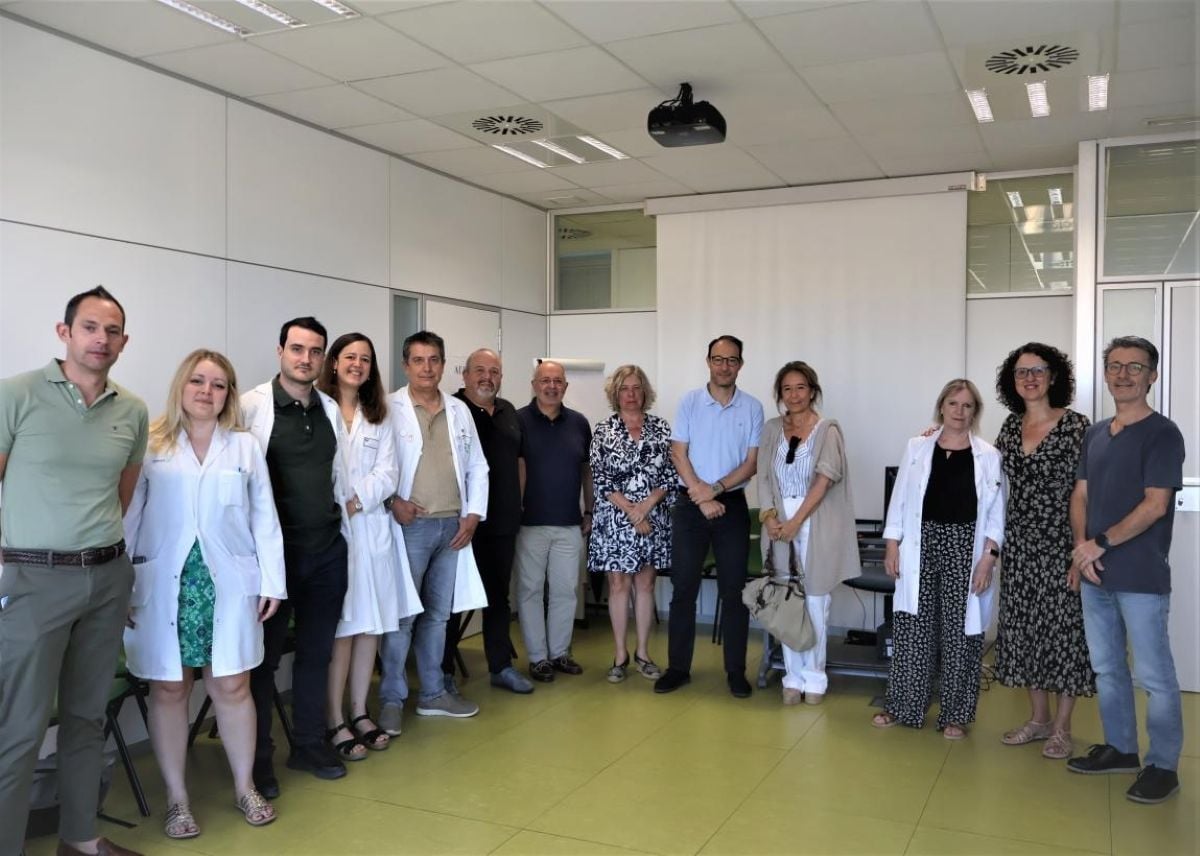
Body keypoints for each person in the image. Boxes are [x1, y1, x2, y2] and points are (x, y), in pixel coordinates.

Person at [0, 286, 149, 856]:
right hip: (35, 581)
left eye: (112, 331)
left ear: (124, 342)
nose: (100, 339)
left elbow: (121, 497)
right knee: (20, 728)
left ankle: (81, 839)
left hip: (107, 578)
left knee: (87, 717)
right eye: (90, 327)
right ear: (64, 333)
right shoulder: (16, 395)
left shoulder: (131, 410)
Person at [123, 349, 285, 837]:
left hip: (228, 583)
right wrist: (120, 585)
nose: (206, 391)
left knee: (232, 686)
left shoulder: (244, 447)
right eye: (198, 381)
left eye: (218, 384)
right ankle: (177, 800)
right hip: (165, 584)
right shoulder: (151, 443)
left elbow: (264, 517)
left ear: (228, 394)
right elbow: (128, 518)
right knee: (170, 688)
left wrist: (272, 581)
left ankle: (244, 786)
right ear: (181, 385)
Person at [1067, 336, 1186, 805]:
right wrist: (1082, 550)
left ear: (1152, 376)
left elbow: (1155, 505)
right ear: (1105, 374)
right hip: (1095, 574)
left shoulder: (1163, 434)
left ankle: (1163, 766)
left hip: (1140, 577)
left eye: (1135, 367)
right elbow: (1081, 495)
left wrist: (1099, 544)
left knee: (1154, 677)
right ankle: (1120, 748)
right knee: (1107, 668)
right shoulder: (1096, 433)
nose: (1123, 374)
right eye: (1115, 366)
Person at [244, 316, 351, 796]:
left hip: (326, 553)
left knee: (315, 654)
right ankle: (257, 761)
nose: (306, 358)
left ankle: (308, 745)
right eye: (297, 349)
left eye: (315, 351)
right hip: (273, 560)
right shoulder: (252, 406)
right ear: (280, 351)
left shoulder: (328, 408)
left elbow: (339, 477)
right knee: (262, 663)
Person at [872, 379, 1004, 739]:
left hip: (966, 548)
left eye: (967, 405)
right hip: (921, 543)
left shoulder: (989, 455)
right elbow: (900, 499)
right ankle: (903, 706)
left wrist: (988, 558)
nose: (959, 411)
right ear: (941, 407)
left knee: (961, 634)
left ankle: (955, 715)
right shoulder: (917, 447)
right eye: (953, 404)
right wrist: (892, 544)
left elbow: (996, 514)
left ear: (975, 412)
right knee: (914, 628)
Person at [379, 330, 487, 732]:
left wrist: (473, 515)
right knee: (403, 616)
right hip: (411, 528)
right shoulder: (388, 408)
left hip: (453, 528)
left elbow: (477, 466)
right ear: (405, 365)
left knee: (438, 617)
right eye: (419, 360)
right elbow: (372, 467)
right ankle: (391, 699)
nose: (427, 368)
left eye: (434, 360)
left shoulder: (459, 410)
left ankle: (432, 694)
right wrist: (392, 501)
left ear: (443, 365)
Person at [992, 343, 1094, 760]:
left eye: (1038, 370)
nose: (1030, 378)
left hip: (1061, 544)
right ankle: (1038, 720)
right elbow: (985, 472)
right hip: (1019, 545)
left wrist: (1079, 552)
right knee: (1026, 631)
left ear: (1054, 377)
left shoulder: (1077, 426)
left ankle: (1063, 728)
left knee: (1064, 635)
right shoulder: (1009, 427)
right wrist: (935, 436)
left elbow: (1086, 493)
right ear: (1012, 381)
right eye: (1022, 372)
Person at [317, 333, 411, 761]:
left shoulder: (379, 414)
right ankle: (334, 718)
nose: (358, 364)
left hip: (372, 529)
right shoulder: (318, 408)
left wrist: (356, 501)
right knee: (344, 629)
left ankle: (359, 711)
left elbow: (389, 471)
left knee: (370, 625)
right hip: (332, 531)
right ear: (334, 362)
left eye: (366, 359)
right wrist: (340, 505)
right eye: (350, 357)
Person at [656, 335, 764, 698]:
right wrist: (701, 496)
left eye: (731, 360)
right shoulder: (690, 401)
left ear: (740, 365)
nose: (724, 366)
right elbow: (678, 453)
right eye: (718, 359)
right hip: (691, 506)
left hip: (731, 505)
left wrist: (714, 490)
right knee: (683, 588)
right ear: (708, 362)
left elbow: (751, 463)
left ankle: (735, 671)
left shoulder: (752, 407)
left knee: (734, 591)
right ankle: (677, 668)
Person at [756, 361, 859, 705]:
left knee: (815, 602)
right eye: (787, 389)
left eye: (800, 387)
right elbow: (764, 476)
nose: (794, 395)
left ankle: (815, 677)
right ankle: (792, 676)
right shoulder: (772, 429)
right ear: (780, 394)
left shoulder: (827, 430)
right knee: (786, 600)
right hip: (778, 524)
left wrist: (796, 520)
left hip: (814, 523)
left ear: (812, 391)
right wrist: (770, 516)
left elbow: (824, 480)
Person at [441, 349, 534, 694]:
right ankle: (443, 673)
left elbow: (519, 461)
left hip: (503, 523)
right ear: (464, 375)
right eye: (479, 370)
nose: (487, 377)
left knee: (498, 598)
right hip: (463, 525)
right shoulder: (451, 409)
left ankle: (501, 667)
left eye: (494, 371)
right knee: (451, 601)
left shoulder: (509, 411)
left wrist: (517, 503)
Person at [588, 365, 674, 683]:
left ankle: (643, 654)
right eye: (625, 388)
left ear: (645, 392)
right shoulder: (604, 430)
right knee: (618, 585)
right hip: (615, 520)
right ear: (615, 393)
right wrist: (631, 511)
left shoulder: (661, 428)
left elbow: (670, 474)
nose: (631, 394)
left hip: (653, 518)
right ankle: (620, 655)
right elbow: (600, 477)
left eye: (637, 388)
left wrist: (646, 507)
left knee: (646, 585)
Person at [515, 360, 593, 682]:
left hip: (569, 523)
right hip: (529, 523)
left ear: (565, 386)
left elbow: (587, 470)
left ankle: (560, 653)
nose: (551, 386)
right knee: (530, 591)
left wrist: (589, 511)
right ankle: (538, 658)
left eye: (557, 381)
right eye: (545, 380)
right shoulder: (517, 420)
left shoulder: (579, 423)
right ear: (534, 384)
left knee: (565, 591)